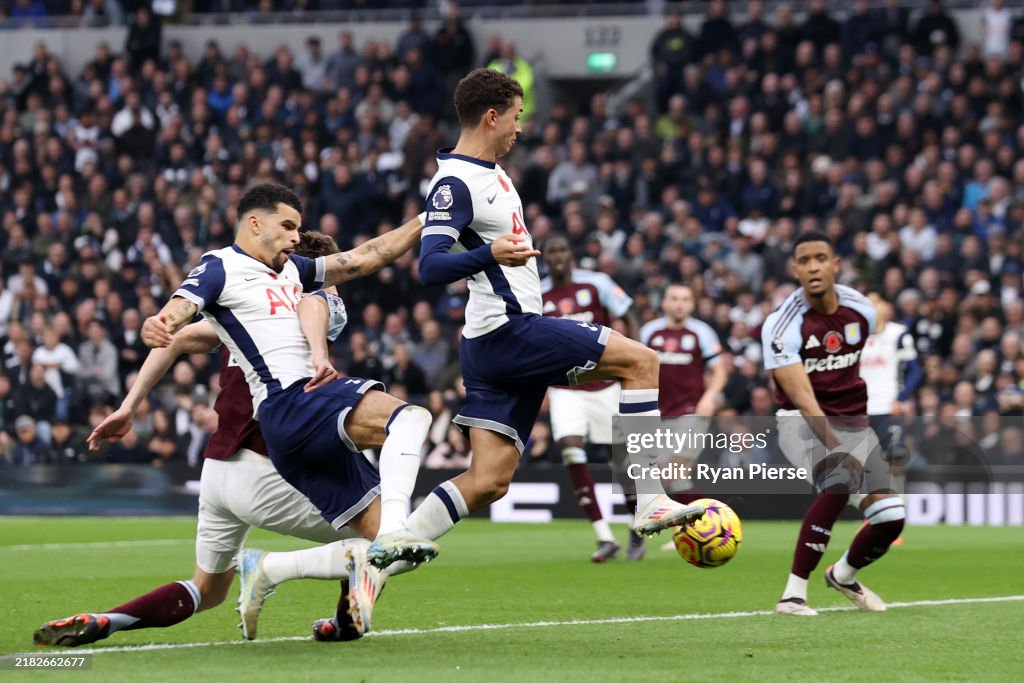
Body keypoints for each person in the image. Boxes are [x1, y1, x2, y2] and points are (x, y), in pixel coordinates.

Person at [32, 231, 390, 647]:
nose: (336, 294)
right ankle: (335, 614)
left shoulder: (247, 314)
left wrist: (129, 405)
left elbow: (179, 339)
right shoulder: (304, 309)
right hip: (262, 466)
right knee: (384, 534)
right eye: (333, 282)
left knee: (207, 589)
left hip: (218, 470)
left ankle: (109, 620)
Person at [415, 68, 704, 559]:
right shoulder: (456, 183)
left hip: (494, 340)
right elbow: (429, 266)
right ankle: (650, 499)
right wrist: (491, 255)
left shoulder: (491, 174)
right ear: (491, 117)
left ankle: (384, 549)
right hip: (508, 332)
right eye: (516, 116)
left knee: (487, 481)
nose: (520, 127)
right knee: (642, 362)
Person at [139, 185, 440, 636]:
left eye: (299, 228)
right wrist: (163, 321)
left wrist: (431, 216)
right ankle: (386, 535)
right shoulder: (221, 265)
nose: (297, 237)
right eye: (288, 226)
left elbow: (369, 255)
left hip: (299, 412)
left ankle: (311, 593)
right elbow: (183, 308)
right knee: (410, 418)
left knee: (382, 544)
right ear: (255, 223)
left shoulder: (293, 272)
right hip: (289, 404)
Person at [762, 231, 905, 616]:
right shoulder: (781, 326)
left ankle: (843, 575)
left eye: (820, 258)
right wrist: (840, 447)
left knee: (892, 518)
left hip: (854, 424)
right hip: (800, 422)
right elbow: (804, 400)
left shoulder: (862, 310)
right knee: (841, 477)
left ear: (835, 264)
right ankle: (792, 595)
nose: (813, 266)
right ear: (794, 269)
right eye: (804, 260)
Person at [539, 233, 636, 563]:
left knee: (620, 462)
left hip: (605, 383)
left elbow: (628, 313)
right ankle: (604, 537)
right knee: (570, 448)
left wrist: (633, 362)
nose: (558, 255)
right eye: (552, 250)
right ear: (545, 257)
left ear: (570, 252)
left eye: (562, 247)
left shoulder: (597, 283)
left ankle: (637, 524)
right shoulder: (536, 293)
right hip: (566, 388)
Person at [638, 284, 727, 557]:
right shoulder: (649, 332)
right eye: (674, 298)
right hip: (658, 414)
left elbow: (720, 369)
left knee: (668, 471)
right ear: (664, 302)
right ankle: (714, 522)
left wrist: (710, 397)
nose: (680, 304)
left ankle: (640, 525)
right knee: (679, 481)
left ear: (692, 304)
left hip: (691, 413)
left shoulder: (701, 332)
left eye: (685, 299)